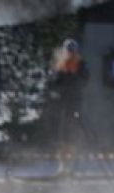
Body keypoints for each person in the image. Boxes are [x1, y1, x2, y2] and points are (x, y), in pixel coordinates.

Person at [45, 38, 87, 174]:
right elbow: (52, 82)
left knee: (72, 135)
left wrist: (72, 78)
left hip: (73, 105)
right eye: (68, 51)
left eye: (72, 51)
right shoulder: (59, 65)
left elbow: (84, 80)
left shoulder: (81, 65)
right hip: (60, 106)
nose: (70, 53)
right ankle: (63, 165)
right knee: (61, 137)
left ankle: (72, 164)